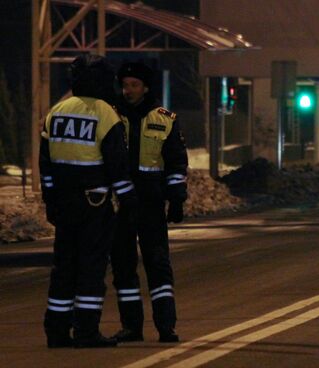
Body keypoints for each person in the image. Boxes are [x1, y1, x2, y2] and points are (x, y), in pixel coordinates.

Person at [40, 54, 137, 348]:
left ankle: (56, 331)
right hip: (94, 202)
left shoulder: (56, 111)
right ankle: (86, 331)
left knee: (64, 267)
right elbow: (117, 166)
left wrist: (50, 200)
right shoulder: (105, 113)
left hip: (62, 202)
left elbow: (45, 165)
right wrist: (129, 202)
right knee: (91, 267)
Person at [110, 62, 188, 343]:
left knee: (158, 264)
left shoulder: (164, 118)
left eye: (133, 84)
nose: (127, 90)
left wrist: (176, 198)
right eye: (125, 84)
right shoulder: (111, 116)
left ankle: (166, 326)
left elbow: (176, 162)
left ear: (145, 87)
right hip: (120, 204)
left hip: (151, 202)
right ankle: (132, 327)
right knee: (123, 266)